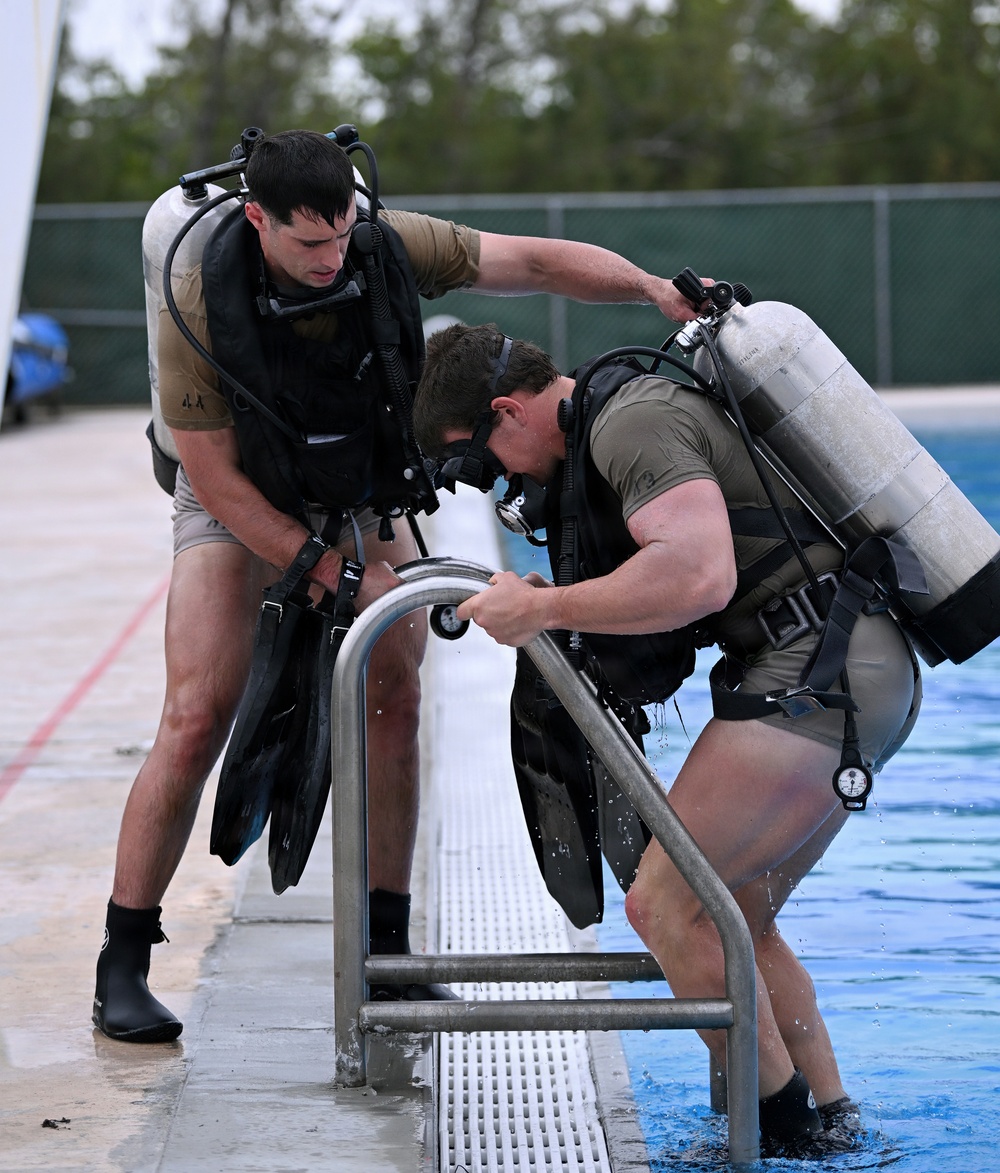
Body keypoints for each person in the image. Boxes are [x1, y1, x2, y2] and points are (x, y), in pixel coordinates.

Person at [92, 129, 709, 1044]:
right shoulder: (197, 296)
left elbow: (532, 259)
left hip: (353, 484)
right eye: (308, 244)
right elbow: (215, 478)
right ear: (256, 218)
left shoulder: (385, 243)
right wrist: (330, 574)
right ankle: (124, 962)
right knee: (196, 710)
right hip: (237, 490)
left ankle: (391, 951)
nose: (330, 258)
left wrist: (653, 288)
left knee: (395, 685)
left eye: (340, 235)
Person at [411, 322, 922, 1157]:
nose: (499, 482)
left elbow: (698, 573)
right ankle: (834, 1125)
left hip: (820, 668)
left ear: (506, 411)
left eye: (482, 462)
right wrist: (561, 598)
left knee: (667, 903)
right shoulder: (612, 420)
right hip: (849, 660)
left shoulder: (629, 422)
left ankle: (779, 1136)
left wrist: (543, 609)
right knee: (738, 915)